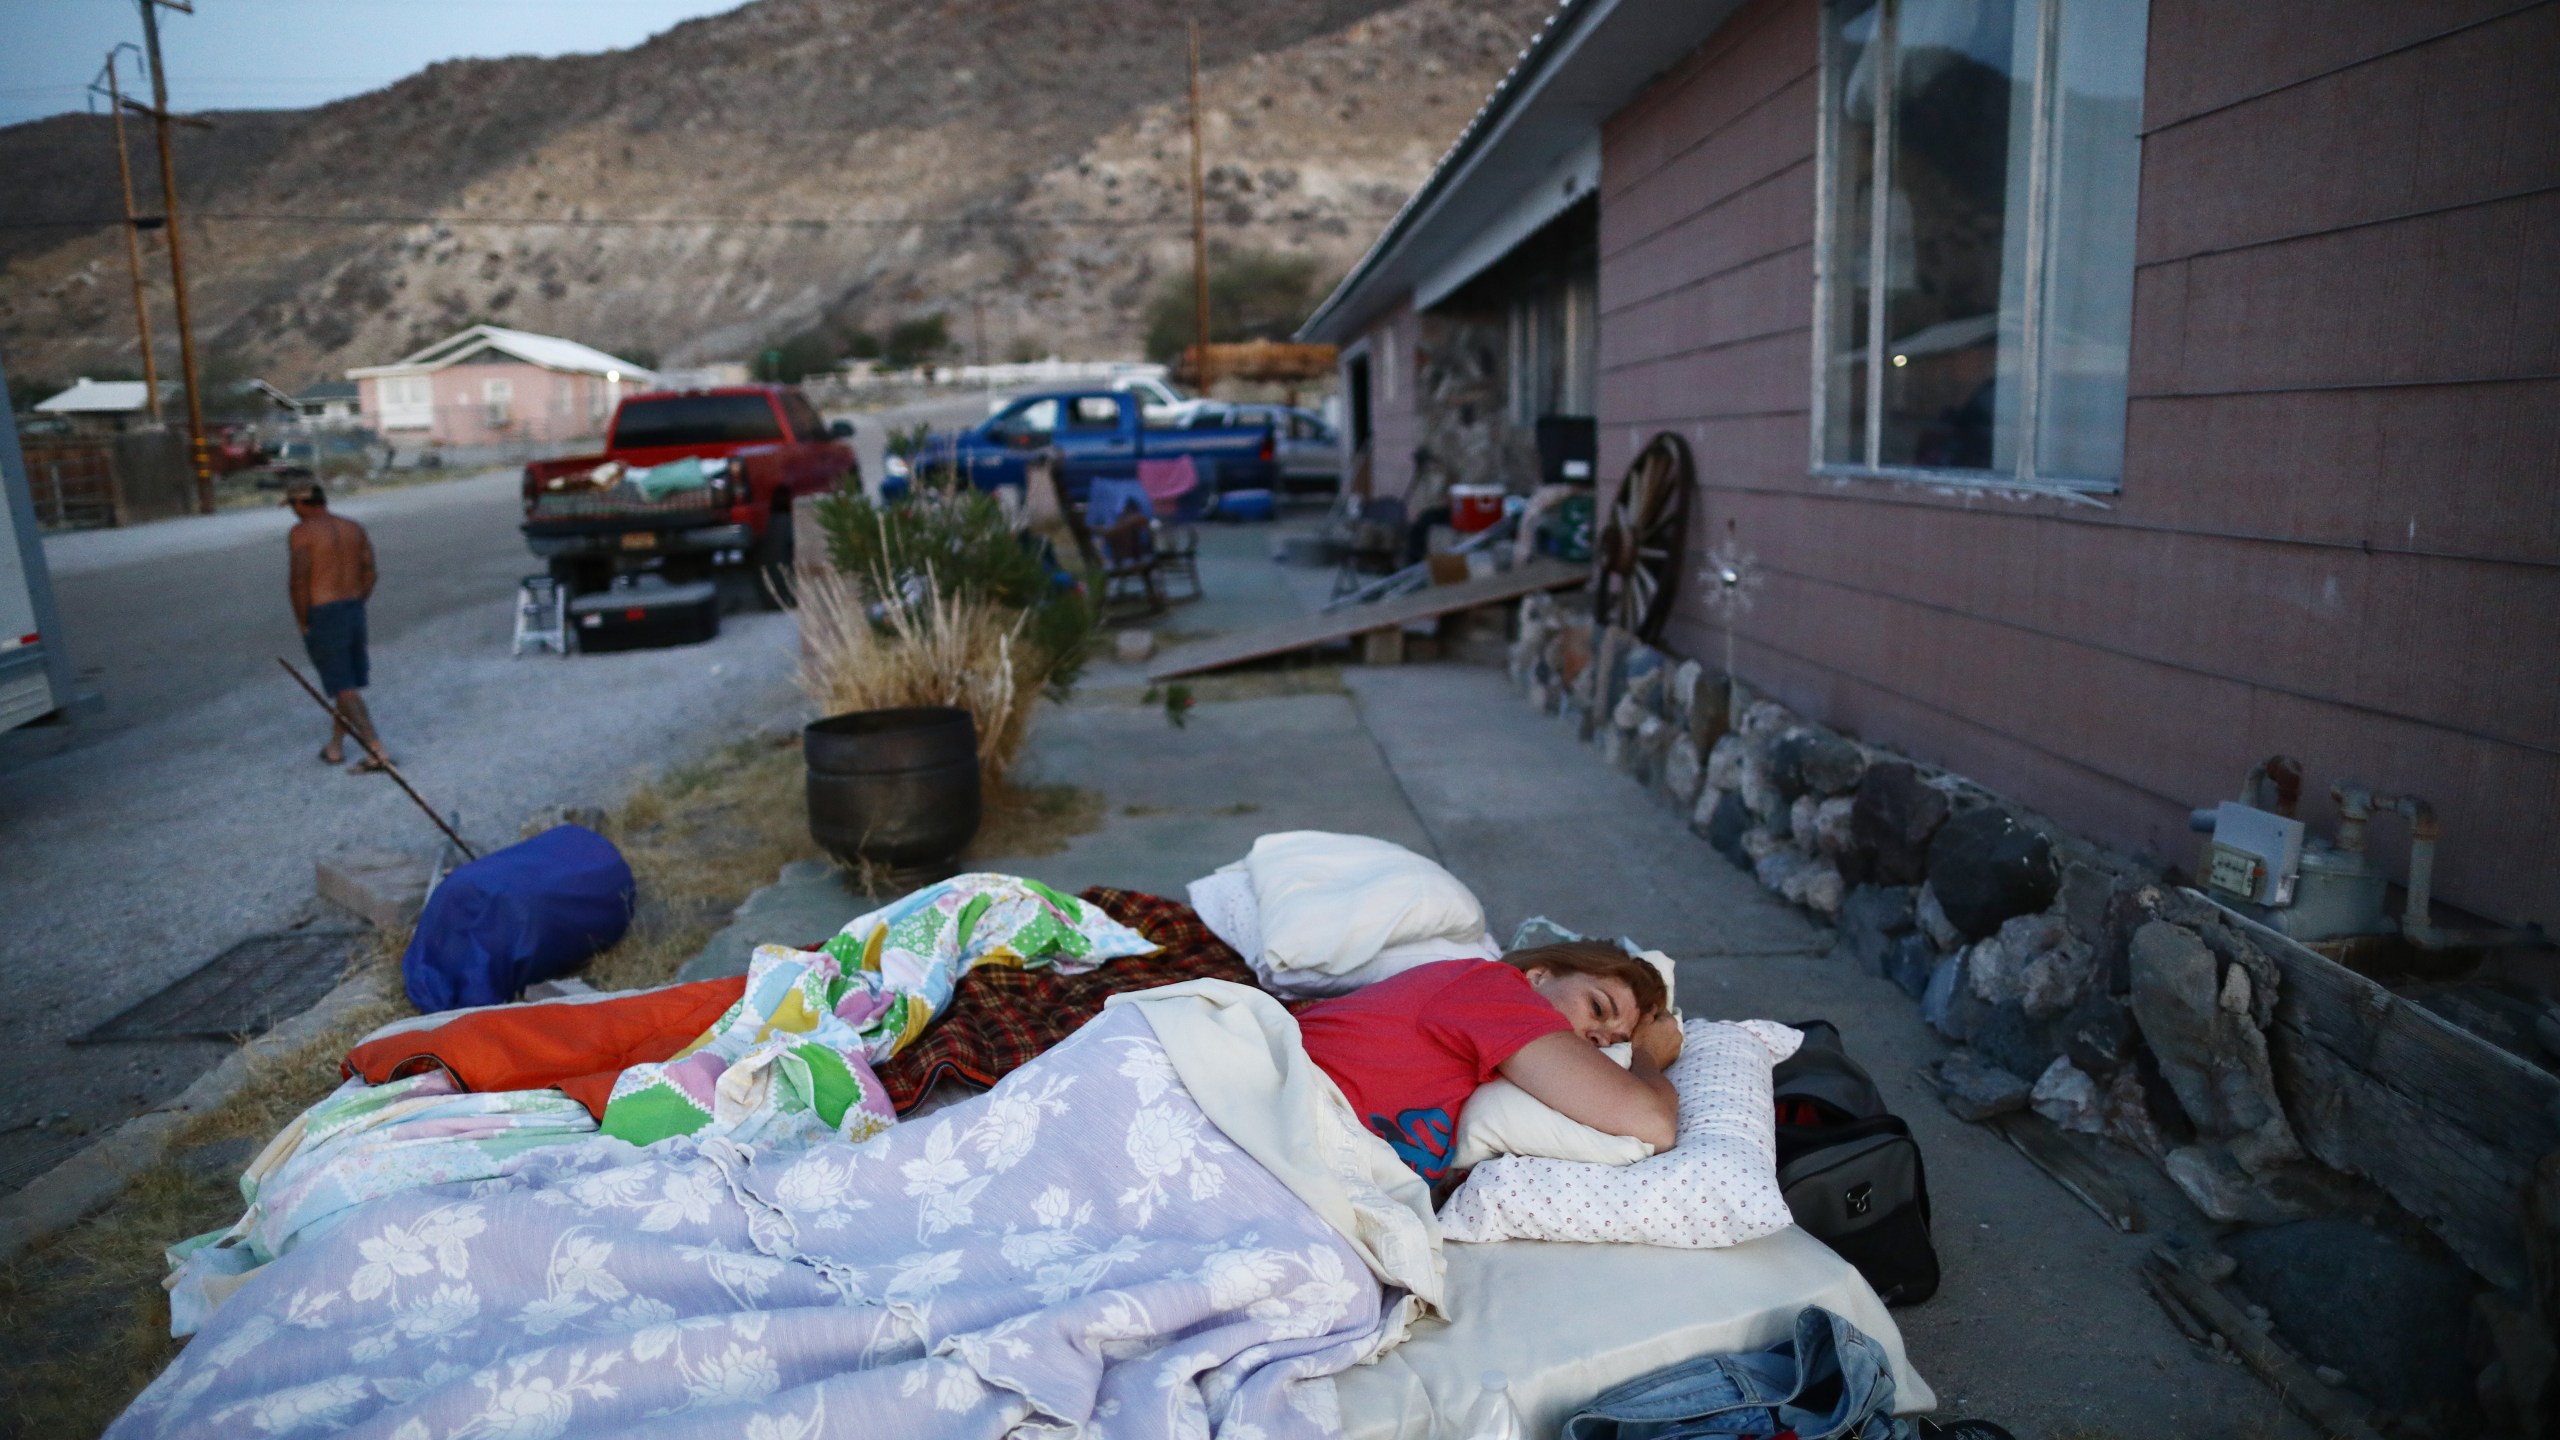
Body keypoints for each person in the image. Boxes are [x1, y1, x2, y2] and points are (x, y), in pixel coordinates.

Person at [1297, 941, 1684, 1182]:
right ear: (1539, 976)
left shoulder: (1487, 1061)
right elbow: (1652, 1123)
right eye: (1597, 1007)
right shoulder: (1497, 991)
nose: (1598, 1039)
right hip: (1285, 1109)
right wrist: (1647, 1055)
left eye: (1613, 1042)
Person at [285, 481, 386, 771]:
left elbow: (299, 581)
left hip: (324, 612)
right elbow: (370, 573)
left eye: (294, 506)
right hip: (353, 609)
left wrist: (303, 621)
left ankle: (375, 750)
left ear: (301, 504)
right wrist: (356, 602)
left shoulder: (301, 533)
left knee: (342, 686)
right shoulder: (353, 528)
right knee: (346, 681)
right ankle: (335, 747)